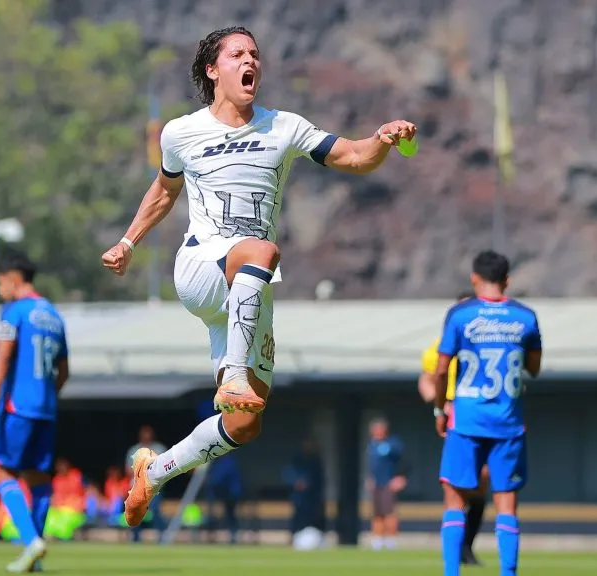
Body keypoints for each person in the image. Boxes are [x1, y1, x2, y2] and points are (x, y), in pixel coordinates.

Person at [101, 25, 417, 528]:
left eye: (255, 54)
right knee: (262, 249)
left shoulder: (284, 126)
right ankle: (233, 373)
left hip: (250, 287)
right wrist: (128, 242)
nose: (251, 61)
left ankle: (154, 471)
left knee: (245, 424)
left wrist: (381, 138)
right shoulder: (181, 132)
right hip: (204, 269)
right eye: (238, 54)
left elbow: (354, 156)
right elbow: (163, 191)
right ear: (213, 70)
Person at [433, 251, 543, 576]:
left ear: (474, 278)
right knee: (506, 504)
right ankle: (508, 573)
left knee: (455, 500)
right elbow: (534, 369)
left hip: (465, 419)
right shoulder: (526, 316)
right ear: (507, 280)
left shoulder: (460, 315)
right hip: (508, 422)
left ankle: (452, 573)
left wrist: (441, 407)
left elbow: (441, 370)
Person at [0, 250, 69, 573]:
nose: (0, 288)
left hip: (17, 407)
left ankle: (32, 540)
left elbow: (3, 357)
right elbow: (64, 370)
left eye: (0, 282)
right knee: (38, 477)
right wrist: (46, 396)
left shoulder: (14, 311)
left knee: (4, 471)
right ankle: (34, 552)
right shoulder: (54, 315)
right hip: (46, 410)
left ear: (13, 279)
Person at [420, 291, 490, 565]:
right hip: (455, 417)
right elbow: (426, 379)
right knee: (458, 484)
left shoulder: (487, 343)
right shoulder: (439, 347)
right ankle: (456, 549)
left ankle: (466, 546)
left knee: (481, 482)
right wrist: (438, 403)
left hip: (483, 415)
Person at [365, 417, 407, 551]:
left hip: (389, 483)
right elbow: (372, 465)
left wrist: (400, 477)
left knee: (389, 512)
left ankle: (390, 539)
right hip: (376, 483)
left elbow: (404, 462)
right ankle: (378, 539)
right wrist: (370, 478)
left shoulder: (393, 444)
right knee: (377, 512)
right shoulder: (372, 445)